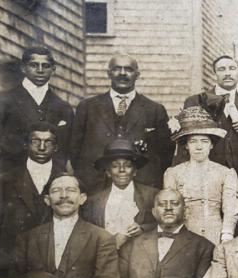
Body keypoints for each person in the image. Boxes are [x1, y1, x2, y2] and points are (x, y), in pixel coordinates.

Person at [70, 54, 173, 193]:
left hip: (140, 188)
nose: (123, 73)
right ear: (109, 73)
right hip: (95, 187)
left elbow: (166, 155)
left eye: (129, 69)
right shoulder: (88, 107)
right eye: (117, 69)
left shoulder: (154, 110)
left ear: (137, 74)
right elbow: (74, 150)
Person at [0, 123, 65, 278]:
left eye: (48, 142)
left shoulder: (66, 181)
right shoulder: (4, 181)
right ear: (26, 144)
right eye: (36, 141)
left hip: (52, 271)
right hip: (11, 270)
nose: (42, 147)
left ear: (56, 147)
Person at [0, 46, 74, 177]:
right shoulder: (2, 101)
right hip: (10, 179)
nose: (40, 70)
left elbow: (63, 151)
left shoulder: (63, 107)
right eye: (34, 65)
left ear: (53, 70)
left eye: (45, 66)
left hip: (48, 181)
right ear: (23, 68)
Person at [164, 107, 238, 245]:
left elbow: (231, 209)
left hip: (215, 235)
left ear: (211, 145)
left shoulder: (226, 173)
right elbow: (170, 208)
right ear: (186, 145)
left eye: (204, 141)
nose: (199, 147)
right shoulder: (173, 173)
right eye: (193, 141)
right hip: (184, 235)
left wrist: (226, 236)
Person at [181, 55, 238, 175]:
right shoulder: (196, 101)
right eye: (222, 69)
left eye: (232, 68)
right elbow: (184, 141)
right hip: (205, 172)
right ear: (215, 74)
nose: (227, 73)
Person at [81, 139, 158, 249]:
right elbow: (88, 232)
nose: (122, 170)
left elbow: (164, 223)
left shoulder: (151, 195)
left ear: (135, 171)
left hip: (139, 254)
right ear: (108, 172)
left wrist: (142, 228)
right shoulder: (94, 201)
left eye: (127, 165)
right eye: (115, 166)